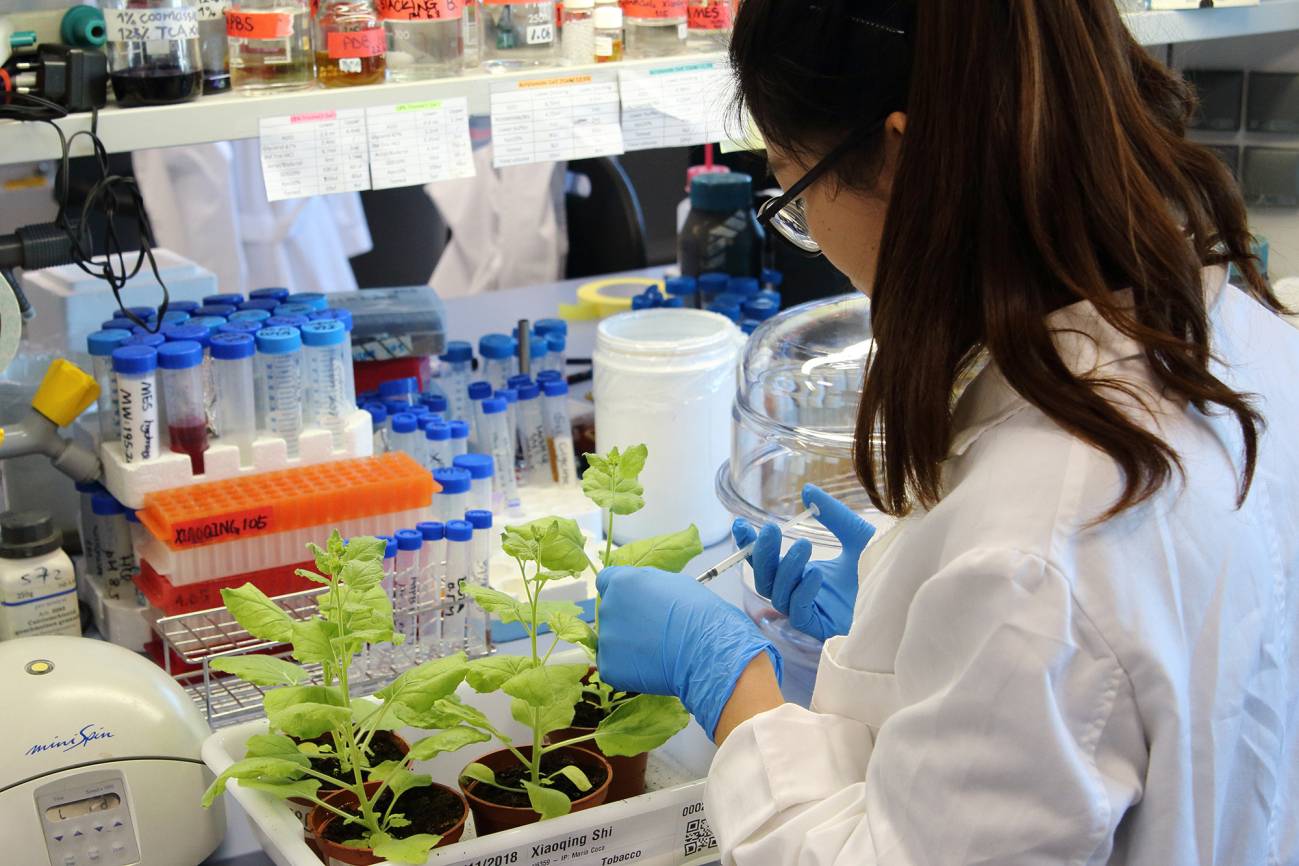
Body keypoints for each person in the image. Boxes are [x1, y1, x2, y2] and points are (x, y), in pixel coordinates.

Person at [594, 2, 1299, 864]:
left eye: (794, 183)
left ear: (898, 153)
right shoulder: (1247, 334)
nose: (811, 234)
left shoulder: (1035, 542)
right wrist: (900, 624)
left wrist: (732, 681)